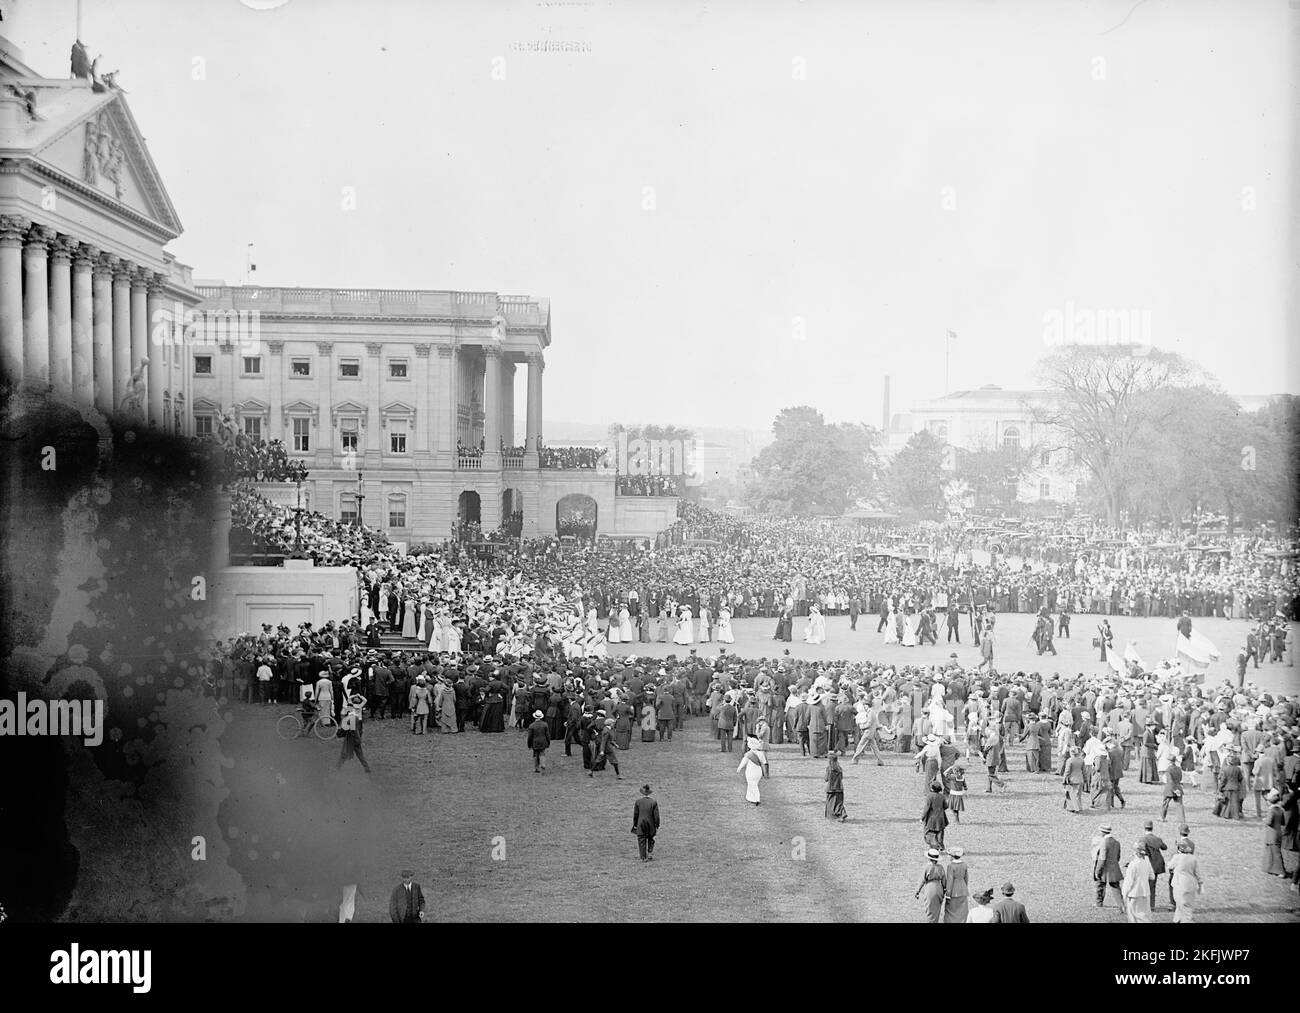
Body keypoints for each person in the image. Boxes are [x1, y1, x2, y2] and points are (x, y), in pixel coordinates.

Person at [1168, 839, 1203, 922]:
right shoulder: (1193, 858)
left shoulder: (1177, 857)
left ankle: (1185, 920)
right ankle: (1178, 919)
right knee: (1187, 905)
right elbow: (1197, 873)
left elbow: (1169, 866)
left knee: (1181, 905)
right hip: (1191, 885)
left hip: (1179, 884)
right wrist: (1200, 883)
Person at [336, 692, 372, 773]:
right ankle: (367, 768)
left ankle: (337, 767)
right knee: (360, 754)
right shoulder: (356, 715)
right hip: (355, 738)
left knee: (344, 753)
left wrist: (339, 733)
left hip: (351, 739)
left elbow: (352, 731)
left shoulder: (350, 718)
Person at [1122, 842, 1155, 923]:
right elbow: (1152, 877)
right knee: (1144, 915)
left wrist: (1124, 894)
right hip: (1145, 892)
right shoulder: (1147, 863)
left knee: (1134, 917)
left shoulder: (1133, 865)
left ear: (1135, 852)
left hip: (1134, 894)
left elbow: (1128, 882)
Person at [1140, 821, 1169, 911]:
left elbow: (1141, 851)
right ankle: (1151, 906)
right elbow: (1165, 847)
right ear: (1152, 828)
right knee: (1153, 885)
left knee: (1145, 885)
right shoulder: (1157, 838)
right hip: (1157, 864)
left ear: (1144, 828)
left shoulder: (1143, 839)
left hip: (1147, 864)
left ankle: (1146, 906)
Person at [1093, 824, 1123, 909]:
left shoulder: (1104, 842)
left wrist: (1097, 871)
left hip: (1104, 869)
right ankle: (1122, 905)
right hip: (1114, 868)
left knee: (1100, 885)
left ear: (1103, 832)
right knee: (1116, 888)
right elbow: (1118, 857)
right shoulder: (1117, 842)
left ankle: (1099, 903)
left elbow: (1102, 858)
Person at [915, 849, 946, 923]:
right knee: (937, 910)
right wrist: (944, 890)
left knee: (929, 910)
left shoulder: (927, 867)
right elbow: (944, 881)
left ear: (929, 858)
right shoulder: (941, 867)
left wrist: (917, 891)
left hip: (930, 888)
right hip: (939, 888)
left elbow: (922, 880)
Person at [632, 784, 660, 862]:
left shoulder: (638, 802)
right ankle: (650, 853)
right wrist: (657, 825)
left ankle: (643, 857)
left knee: (641, 839)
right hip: (651, 824)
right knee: (651, 838)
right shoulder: (653, 802)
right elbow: (656, 816)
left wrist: (635, 824)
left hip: (640, 823)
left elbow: (636, 815)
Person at [1264, 789, 1287, 876]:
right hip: (1278, 832)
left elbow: (1269, 822)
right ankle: (1271, 868)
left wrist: (1264, 820)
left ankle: (1281, 871)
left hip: (1272, 833)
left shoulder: (1271, 810)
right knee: (1274, 851)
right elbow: (1283, 822)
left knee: (1275, 853)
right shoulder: (1280, 810)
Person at [943, 847, 970, 922]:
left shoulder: (950, 866)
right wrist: (964, 887)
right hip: (963, 888)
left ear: (952, 856)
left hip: (953, 890)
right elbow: (966, 878)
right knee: (962, 911)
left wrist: (948, 893)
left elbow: (950, 880)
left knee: (951, 910)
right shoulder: (964, 864)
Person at [922, 780, 949, 852]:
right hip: (941, 818)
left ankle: (935, 845)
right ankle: (941, 845)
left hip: (931, 818)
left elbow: (926, 808)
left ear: (932, 788)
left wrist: (922, 818)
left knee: (929, 833)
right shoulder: (942, 796)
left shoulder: (929, 796)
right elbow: (946, 806)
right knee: (940, 833)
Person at [738, 741, 764, 805]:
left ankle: (757, 798)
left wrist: (739, 768)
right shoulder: (761, 753)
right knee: (752, 784)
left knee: (753, 784)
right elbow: (764, 762)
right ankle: (750, 797)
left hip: (751, 771)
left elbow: (744, 761)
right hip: (758, 771)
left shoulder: (748, 754)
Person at [825, 751, 848, 822]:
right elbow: (841, 777)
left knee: (831, 803)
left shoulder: (829, 769)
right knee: (839, 803)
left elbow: (826, 779)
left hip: (831, 788)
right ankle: (842, 814)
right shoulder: (840, 768)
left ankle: (833, 816)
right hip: (839, 788)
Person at [1063, 746, 1086, 813]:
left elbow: (1067, 771)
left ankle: (1075, 808)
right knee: (1078, 795)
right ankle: (1079, 807)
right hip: (1080, 779)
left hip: (1072, 780)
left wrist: (1064, 780)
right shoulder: (1081, 760)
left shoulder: (1069, 760)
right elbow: (1084, 771)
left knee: (1072, 795)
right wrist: (1085, 779)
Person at [526, 709, 550, 773]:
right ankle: (543, 764)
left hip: (535, 742)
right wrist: (548, 742)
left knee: (535, 755)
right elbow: (547, 735)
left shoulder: (531, 726)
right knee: (542, 753)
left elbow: (529, 737)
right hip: (543, 741)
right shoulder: (545, 725)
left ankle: (536, 768)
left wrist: (529, 744)